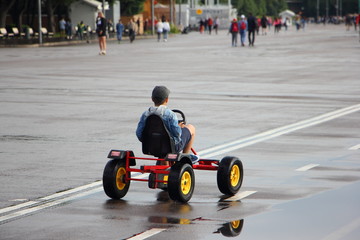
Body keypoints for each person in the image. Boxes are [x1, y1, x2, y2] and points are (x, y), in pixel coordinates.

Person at [136, 86, 196, 157]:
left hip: (151, 147)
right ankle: (185, 157)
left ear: (152, 99)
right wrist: (179, 127)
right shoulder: (170, 114)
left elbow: (139, 134)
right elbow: (177, 134)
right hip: (170, 148)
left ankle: (164, 162)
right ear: (167, 99)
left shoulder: (145, 114)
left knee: (161, 139)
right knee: (191, 128)